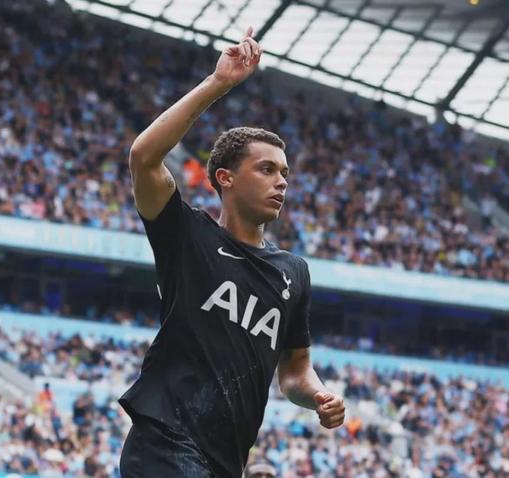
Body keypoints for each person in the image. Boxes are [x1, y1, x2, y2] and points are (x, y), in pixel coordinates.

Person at [119, 26, 345, 477]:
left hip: (225, 460)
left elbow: (294, 373)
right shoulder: (187, 235)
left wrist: (318, 395)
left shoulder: (293, 272)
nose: (282, 182)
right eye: (267, 169)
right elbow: (144, 157)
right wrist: (219, 83)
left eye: (285, 173)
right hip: (164, 441)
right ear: (226, 178)